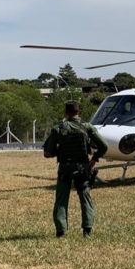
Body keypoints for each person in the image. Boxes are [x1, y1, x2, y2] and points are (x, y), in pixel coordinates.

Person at [43, 101, 108, 238]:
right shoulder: (87, 127)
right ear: (79, 112)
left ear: (66, 113)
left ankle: (61, 231)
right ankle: (87, 230)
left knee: (61, 199)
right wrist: (94, 159)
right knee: (85, 198)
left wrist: (60, 151)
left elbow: (47, 153)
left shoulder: (58, 129)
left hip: (65, 168)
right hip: (83, 167)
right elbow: (104, 146)